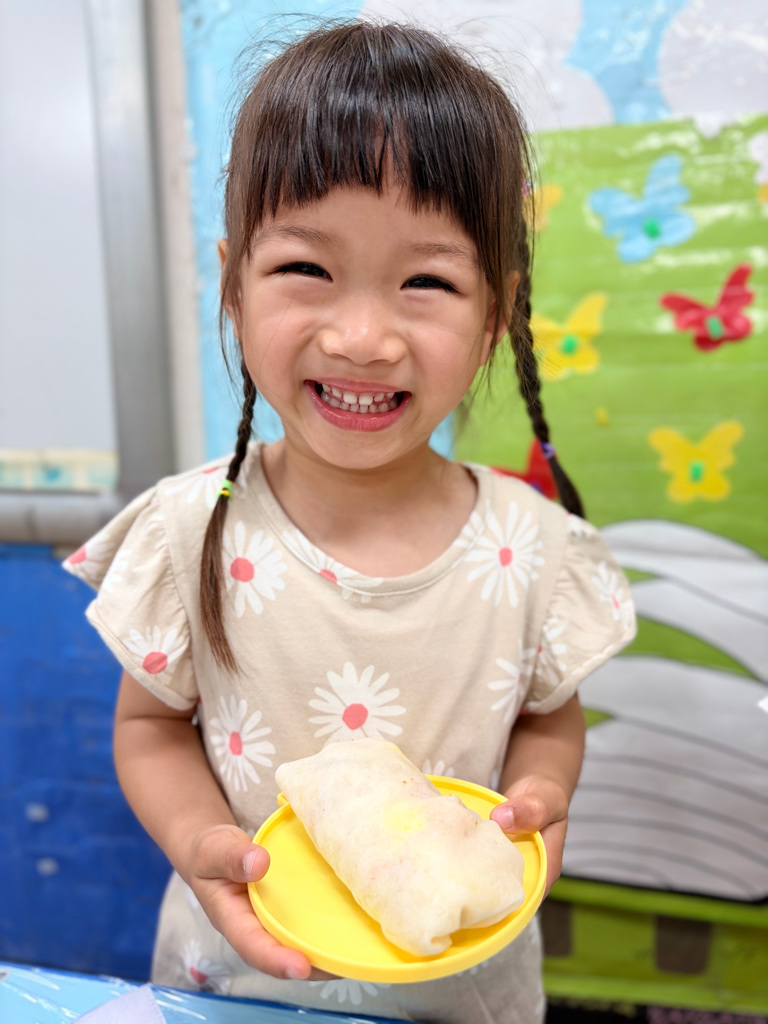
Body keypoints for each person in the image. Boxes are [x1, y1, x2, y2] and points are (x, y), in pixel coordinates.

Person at [63, 21, 636, 1024]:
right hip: (238, 980)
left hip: (463, 988)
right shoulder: (191, 529)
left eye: (427, 282)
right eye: (307, 269)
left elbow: (548, 715)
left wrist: (543, 794)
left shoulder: (535, 545)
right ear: (233, 285)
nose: (363, 337)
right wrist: (201, 841)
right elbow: (149, 728)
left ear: (495, 314)